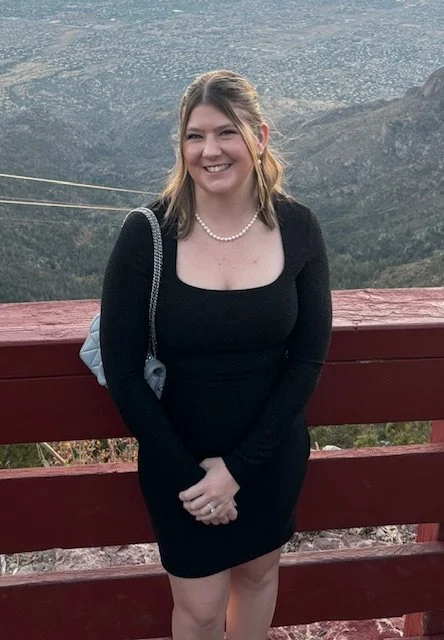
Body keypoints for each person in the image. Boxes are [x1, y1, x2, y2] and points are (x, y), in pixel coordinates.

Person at [100, 69, 332, 640]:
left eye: (227, 132)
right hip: (176, 460)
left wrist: (238, 470)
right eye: (195, 136)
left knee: (257, 580)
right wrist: (197, 481)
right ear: (181, 146)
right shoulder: (148, 234)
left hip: (269, 453)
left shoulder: (298, 228)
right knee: (201, 609)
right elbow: (123, 371)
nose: (210, 150)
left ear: (260, 137)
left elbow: (307, 361)